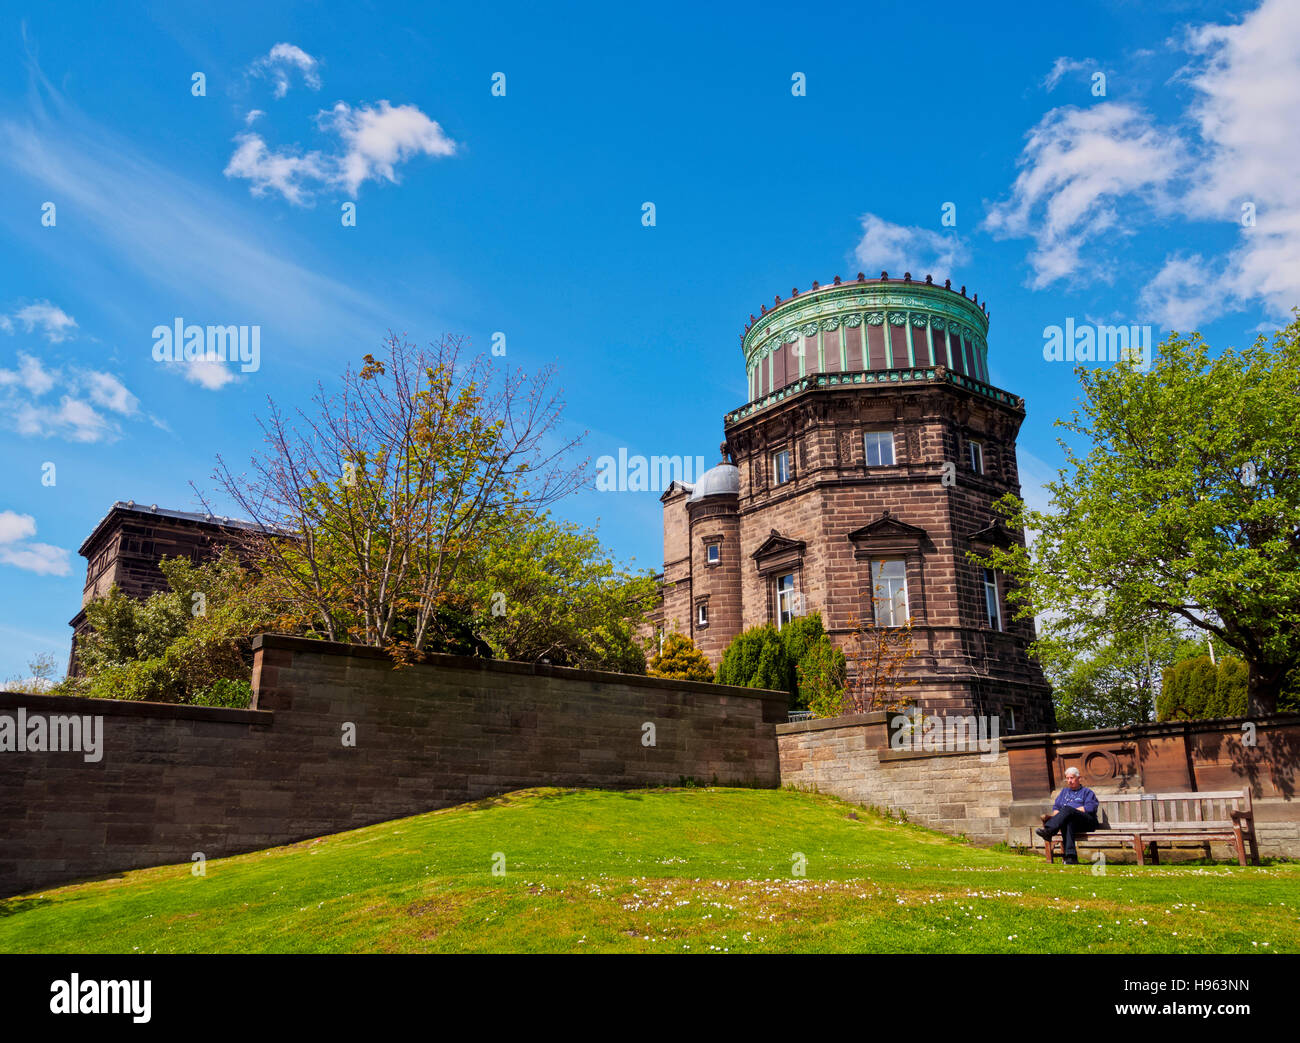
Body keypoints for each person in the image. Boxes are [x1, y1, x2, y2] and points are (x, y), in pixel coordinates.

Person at [1036, 766, 1098, 864]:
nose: (1069, 781)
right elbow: (1056, 807)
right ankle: (1071, 857)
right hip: (1072, 823)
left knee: (1067, 810)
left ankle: (1049, 831)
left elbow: (1090, 808)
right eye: (1067, 778)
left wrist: (1071, 811)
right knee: (1068, 821)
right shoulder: (1064, 792)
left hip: (1087, 822)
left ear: (1079, 778)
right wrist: (1061, 817)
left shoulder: (1087, 792)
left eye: (1072, 778)